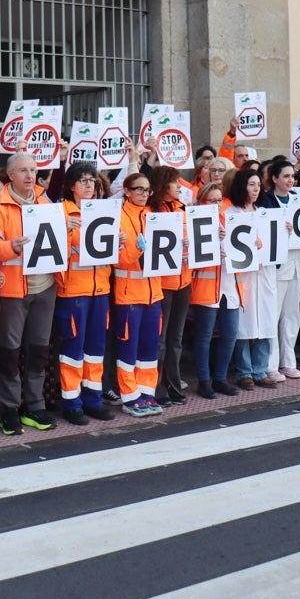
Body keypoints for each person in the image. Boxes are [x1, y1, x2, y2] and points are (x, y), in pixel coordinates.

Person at [0, 153, 61, 434]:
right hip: (13, 289)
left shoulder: (45, 202)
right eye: (23, 171)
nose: (30, 175)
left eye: (33, 169)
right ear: (10, 175)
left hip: (45, 286)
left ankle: (35, 404)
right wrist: (10, 248)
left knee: (39, 350)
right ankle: (9, 408)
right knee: (10, 351)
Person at [53, 162, 115, 425]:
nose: (89, 184)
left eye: (92, 180)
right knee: (72, 351)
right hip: (73, 291)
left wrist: (121, 242)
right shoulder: (61, 213)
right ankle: (71, 402)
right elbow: (51, 252)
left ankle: (93, 399)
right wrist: (65, 232)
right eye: (83, 180)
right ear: (71, 185)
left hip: (100, 289)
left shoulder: (104, 211)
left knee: (95, 350)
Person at [113, 172, 164, 417]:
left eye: (147, 189)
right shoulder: (118, 218)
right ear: (127, 190)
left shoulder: (153, 216)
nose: (144, 194)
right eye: (139, 189)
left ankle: (147, 393)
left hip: (154, 294)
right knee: (129, 350)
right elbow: (118, 260)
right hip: (129, 295)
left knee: (149, 349)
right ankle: (130, 397)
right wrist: (136, 249)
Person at [226, 168, 278, 388]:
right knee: (245, 325)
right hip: (243, 276)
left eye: (258, 184)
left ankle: (260, 369)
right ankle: (244, 371)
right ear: (241, 186)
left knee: (265, 321)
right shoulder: (232, 213)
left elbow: (274, 241)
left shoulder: (264, 213)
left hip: (264, 275)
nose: (256, 189)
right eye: (251, 184)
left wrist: (284, 230)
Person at [189, 182, 240, 398]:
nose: (217, 204)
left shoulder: (230, 219)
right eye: (212, 200)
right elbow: (191, 256)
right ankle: (204, 381)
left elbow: (248, 243)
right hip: (207, 286)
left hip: (230, 285)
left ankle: (220, 378)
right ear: (201, 201)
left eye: (220, 200)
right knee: (204, 336)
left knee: (230, 334)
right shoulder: (192, 222)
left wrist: (255, 243)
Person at [147, 166, 192, 404]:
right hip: (162, 283)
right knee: (160, 339)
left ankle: (173, 384)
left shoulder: (182, 209)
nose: (180, 185)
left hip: (183, 280)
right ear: (164, 184)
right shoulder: (150, 210)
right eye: (176, 182)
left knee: (176, 338)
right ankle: (156, 388)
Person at [258, 160, 300, 380]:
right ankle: (271, 364)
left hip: (298, 263)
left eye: (292, 176)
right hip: (277, 264)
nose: (290, 180)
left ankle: (289, 361)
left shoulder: (299, 199)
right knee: (273, 314)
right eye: (285, 176)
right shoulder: (265, 201)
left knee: (292, 314)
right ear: (275, 178)